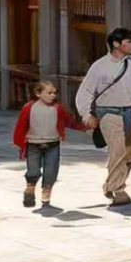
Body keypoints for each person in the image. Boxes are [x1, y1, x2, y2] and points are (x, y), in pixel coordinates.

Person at [75, 27, 131, 206]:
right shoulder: (99, 66)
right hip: (109, 114)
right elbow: (86, 91)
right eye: (129, 42)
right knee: (118, 150)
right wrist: (86, 115)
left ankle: (110, 184)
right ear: (116, 44)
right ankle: (118, 189)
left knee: (130, 153)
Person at [12, 80, 86, 209]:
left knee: (51, 171)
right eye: (49, 92)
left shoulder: (58, 108)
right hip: (33, 145)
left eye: (54, 93)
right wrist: (21, 145)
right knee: (33, 171)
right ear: (38, 93)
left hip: (53, 144)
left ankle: (46, 195)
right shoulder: (29, 108)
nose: (53, 95)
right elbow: (21, 126)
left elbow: (69, 121)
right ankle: (30, 189)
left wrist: (84, 127)